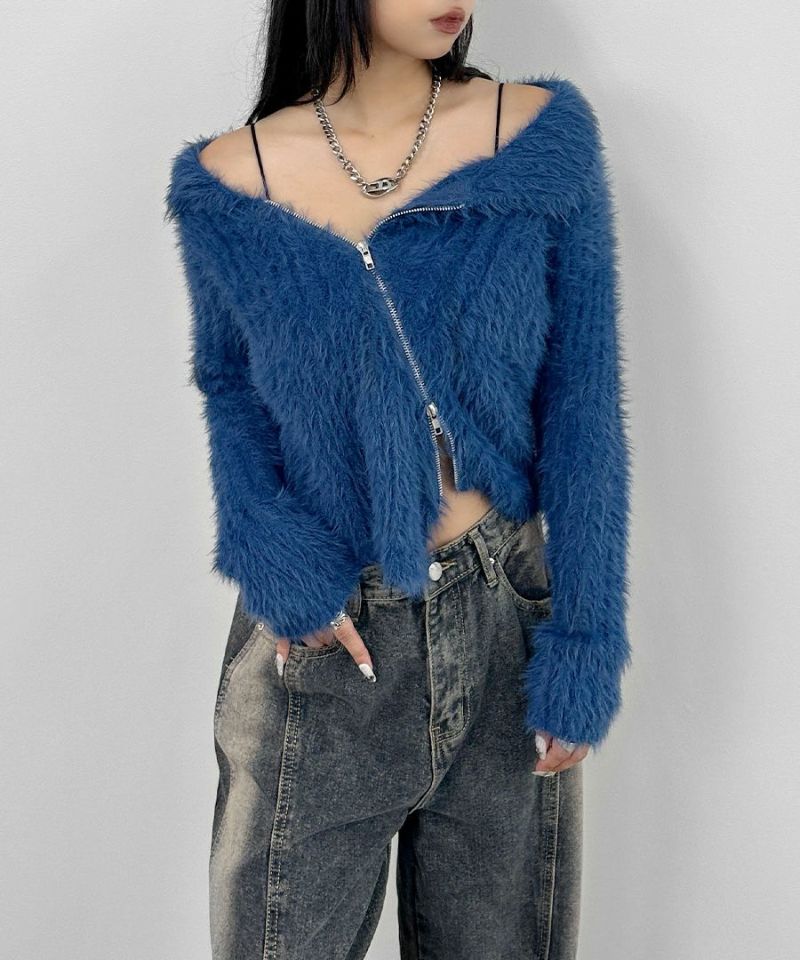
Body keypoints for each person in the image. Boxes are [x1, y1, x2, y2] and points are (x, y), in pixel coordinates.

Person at [164, 2, 633, 957]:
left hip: (504, 623)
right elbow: (230, 391)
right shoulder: (229, 182)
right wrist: (280, 567)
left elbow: (582, 402)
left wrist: (586, 641)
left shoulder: (539, 139)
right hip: (326, 639)